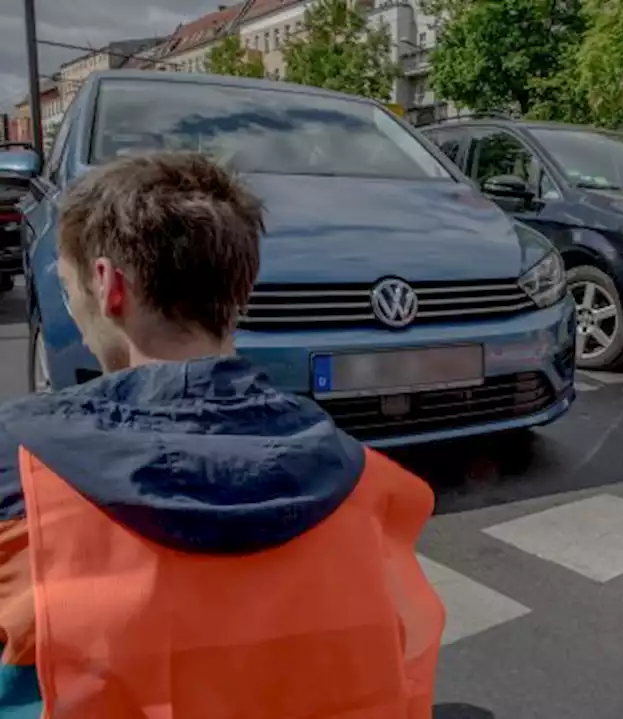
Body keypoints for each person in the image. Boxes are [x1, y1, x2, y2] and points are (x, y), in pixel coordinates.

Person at [0, 153, 445, 716]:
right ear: (241, 287)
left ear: (110, 286)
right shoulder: (370, 484)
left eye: (69, 290)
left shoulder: (20, 471)